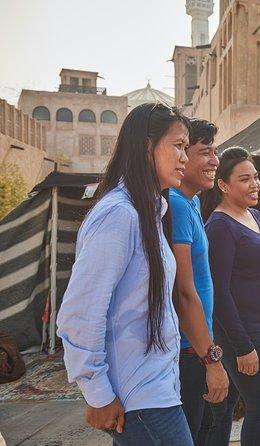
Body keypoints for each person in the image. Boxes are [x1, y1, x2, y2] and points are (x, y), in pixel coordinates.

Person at [57, 103, 194, 445]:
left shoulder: (147, 212)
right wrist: (97, 391)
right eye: (178, 145)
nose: (185, 158)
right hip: (142, 400)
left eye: (186, 148)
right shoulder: (119, 215)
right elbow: (81, 312)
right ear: (148, 146)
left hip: (154, 390)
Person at [201, 147, 260, 446]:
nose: (255, 184)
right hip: (238, 330)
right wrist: (243, 345)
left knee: (225, 408)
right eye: (245, 179)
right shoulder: (219, 227)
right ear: (223, 184)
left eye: (256, 177)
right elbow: (218, 292)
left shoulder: (253, 215)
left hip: (254, 326)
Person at [170, 118, 229, 444]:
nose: (214, 161)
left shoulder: (191, 202)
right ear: (182, 157)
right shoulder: (176, 206)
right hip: (186, 351)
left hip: (197, 344)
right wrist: (210, 359)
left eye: (215, 152)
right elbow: (184, 292)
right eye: (205, 152)